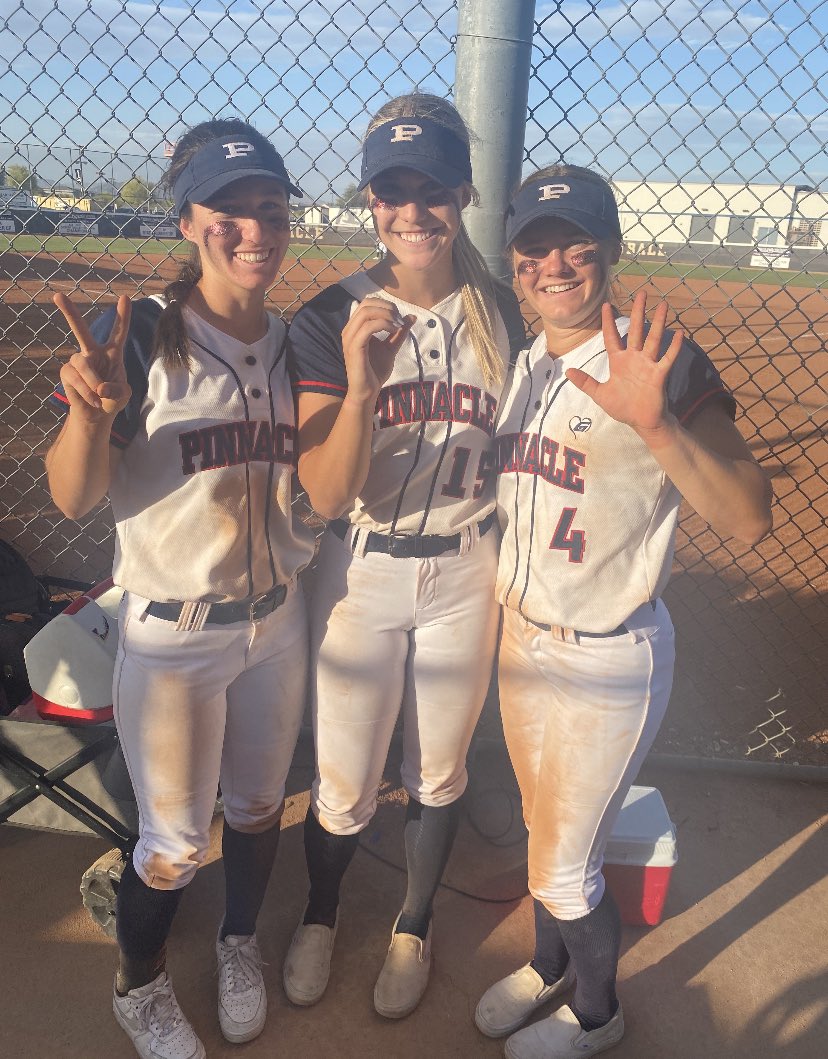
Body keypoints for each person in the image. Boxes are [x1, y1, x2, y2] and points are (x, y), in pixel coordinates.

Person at [474, 165, 773, 1058]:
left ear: (609, 249)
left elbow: (751, 517)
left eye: (576, 240)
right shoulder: (528, 362)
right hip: (522, 642)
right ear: (515, 260)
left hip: (608, 656)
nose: (554, 261)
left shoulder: (661, 360)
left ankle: (598, 1016)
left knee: (565, 867)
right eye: (535, 243)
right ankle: (549, 967)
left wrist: (657, 427)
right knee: (542, 838)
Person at [45, 119, 315, 1059]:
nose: (252, 230)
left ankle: (239, 939)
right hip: (174, 634)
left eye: (270, 210)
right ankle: (139, 985)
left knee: (256, 806)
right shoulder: (143, 336)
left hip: (278, 623)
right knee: (170, 844)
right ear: (189, 220)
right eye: (227, 211)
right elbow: (75, 494)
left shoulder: (298, 342)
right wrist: (89, 413)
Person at [284, 93, 526, 1019]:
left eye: (432, 188)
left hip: (468, 567)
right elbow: (323, 494)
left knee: (441, 767)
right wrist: (357, 387)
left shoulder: (505, 312)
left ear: (464, 191)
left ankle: (414, 924)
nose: (413, 210)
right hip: (360, 571)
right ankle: (319, 912)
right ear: (370, 201)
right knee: (342, 777)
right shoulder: (329, 316)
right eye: (394, 190)